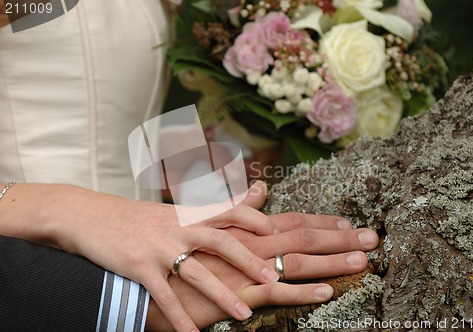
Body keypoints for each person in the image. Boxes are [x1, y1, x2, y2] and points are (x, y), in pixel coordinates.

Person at [0, 1, 379, 331]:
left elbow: (117, 110)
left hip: (156, 241)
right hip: (33, 271)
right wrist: (81, 213)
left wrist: (206, 180)